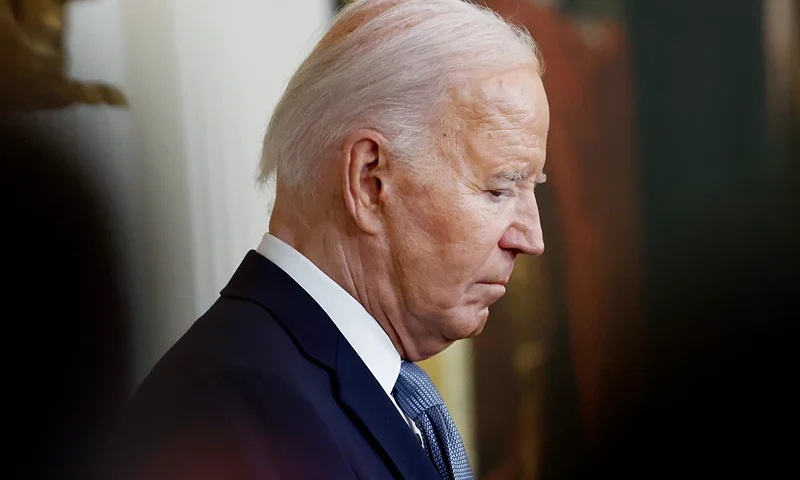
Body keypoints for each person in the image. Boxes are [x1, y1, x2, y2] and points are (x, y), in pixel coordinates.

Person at [112, 0, 549, 478]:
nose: (531, 237)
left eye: (531, 188)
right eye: (500, 188)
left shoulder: (319, 385)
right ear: (369, 180)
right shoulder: (234, 412)